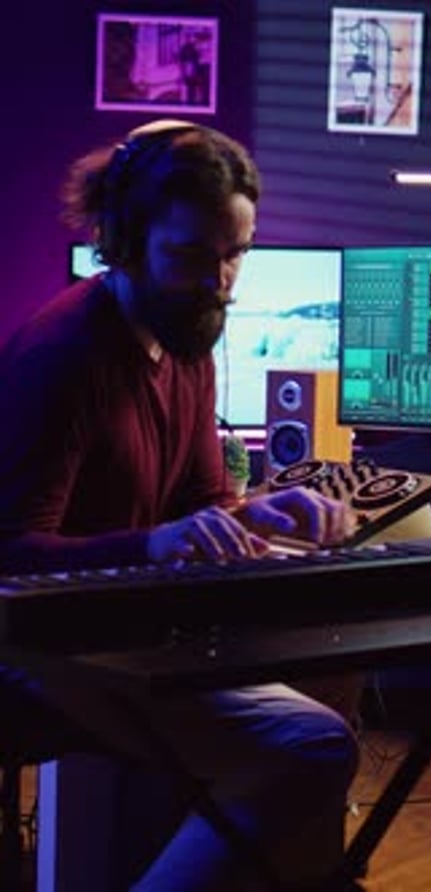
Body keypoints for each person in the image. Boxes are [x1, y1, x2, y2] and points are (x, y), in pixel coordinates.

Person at [0, 119, 360, 891]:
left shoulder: (184, 337)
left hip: (118, 634)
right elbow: (11, 556)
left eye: (235, 255)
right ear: (124, 242)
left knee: (328, 689)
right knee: (311, 743)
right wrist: (156, 546)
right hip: (41, 654)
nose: (220, 281)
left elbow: (201, 499)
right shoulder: (64, 355)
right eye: (193, 256)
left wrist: (258, 511)